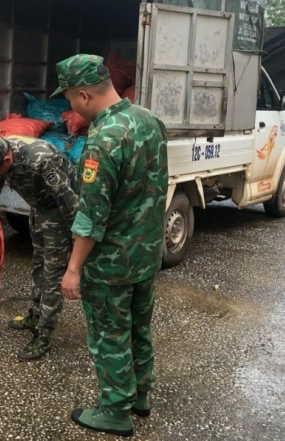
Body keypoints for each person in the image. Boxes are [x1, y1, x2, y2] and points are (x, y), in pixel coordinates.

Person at [56, 54, 168, 437]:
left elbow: (91, 216)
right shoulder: (148, 120)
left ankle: (115, 410)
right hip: (146, 254)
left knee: (109, 333)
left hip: (112, 264)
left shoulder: (103, 140)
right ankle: (140, 395)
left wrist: (72, 270)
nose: (69, 105)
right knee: (139, 325)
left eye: (69, 97)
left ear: (84, 95)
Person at [0, 135, 78, 360]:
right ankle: (35, 314)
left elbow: (67, 198)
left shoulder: (41, 160)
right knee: (38, 262)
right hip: (38, 208)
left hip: (58, 210)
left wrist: (78, 234)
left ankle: (44, 335)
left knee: (53, 272)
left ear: (7, 158)